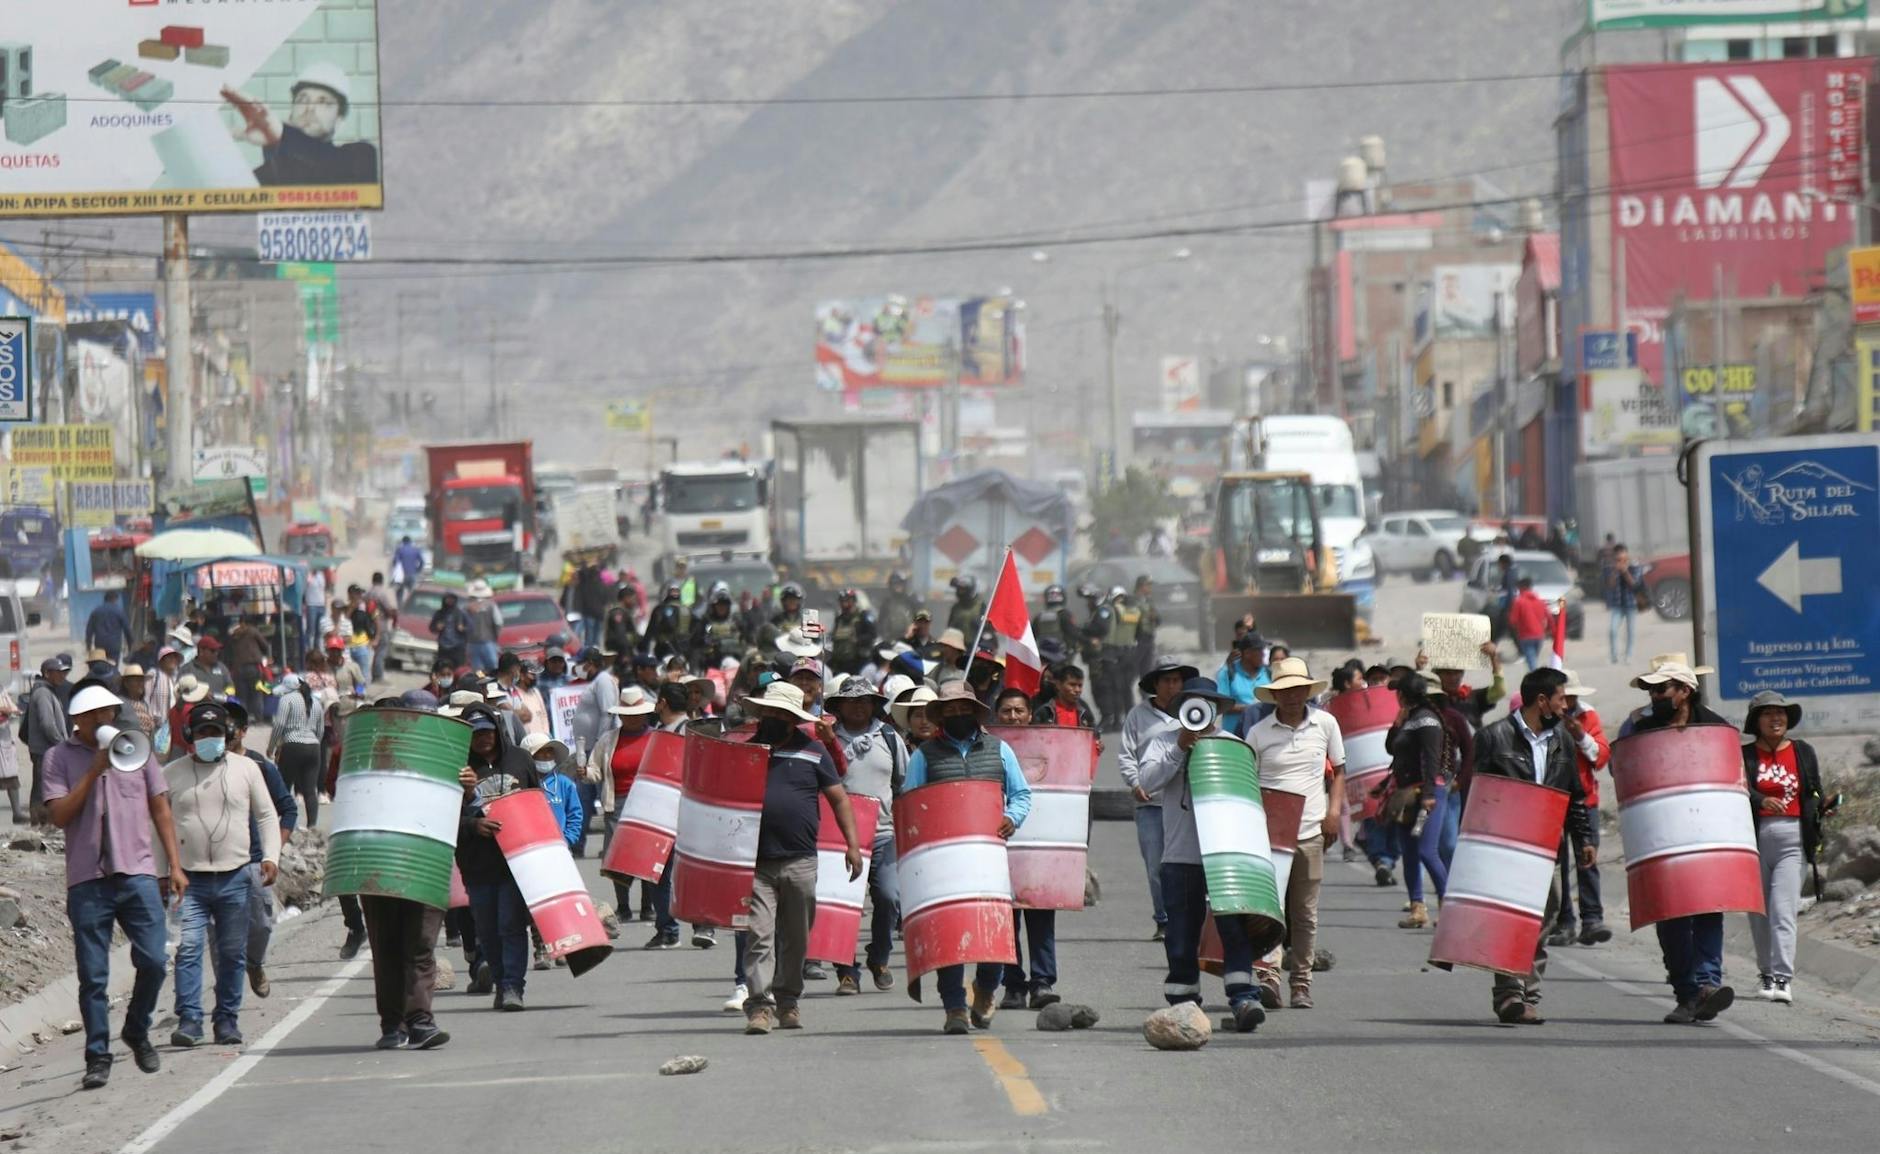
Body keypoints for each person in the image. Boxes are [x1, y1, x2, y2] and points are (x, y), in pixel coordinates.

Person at [45, 682, 187, 1090]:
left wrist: (174, 866)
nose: (104, 719)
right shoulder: (58, 758)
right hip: (88, 880)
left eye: (108, 712)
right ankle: (97, 1056)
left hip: (137, 872)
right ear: (78, 720)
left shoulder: (136, 750)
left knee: (155, 961)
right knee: (94, 976)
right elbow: (59, 815)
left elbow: (160, 807)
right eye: (94, 715)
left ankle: (137, 1029)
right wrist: (93, 772)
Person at [1135, 676, 1268, 1033]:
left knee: (1234, 928)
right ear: (1180, 708)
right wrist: (1179, 748)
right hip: (1180, 854)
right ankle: (1183, 1003)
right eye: (1191, 702)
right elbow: (1145, 784)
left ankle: (1243, 998)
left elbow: (1249, 799)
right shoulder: (1162, 743)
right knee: (1180, 932)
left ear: (1216, 709)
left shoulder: (1233, 746)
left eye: (1204, 702)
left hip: (1226, 855)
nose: (1198, 709)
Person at [900, 680, 1031, 1033]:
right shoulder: (923, 755)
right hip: (942, 862)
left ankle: (986, 989)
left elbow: (1021, 795)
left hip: (988, 858)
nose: (958, 713)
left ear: (974, 711)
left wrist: (1011, 818)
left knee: (994, 932)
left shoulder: (1000, 750)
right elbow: (911, 803)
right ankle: (954, 1008)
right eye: (951, 709)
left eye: (963, 708)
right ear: (941, 714)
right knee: (949, 936)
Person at [1470, 667, 1595, 1025]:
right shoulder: (1493, 738)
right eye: (1560, 699)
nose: (1564, 705)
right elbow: (1476, 796)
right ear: (1542, 701)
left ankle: (1528, 990)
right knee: (1510, 918)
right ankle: (1510, 993)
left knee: (1545, 916)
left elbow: (1573, 794)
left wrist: (1584, 838)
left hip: (1547, 845)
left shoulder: (1563, 741)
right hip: (1505, 848)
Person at [737, 682, 862, 1035]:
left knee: (797, 938)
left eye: (780, 714)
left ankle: (788, 1000)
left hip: (801, 860)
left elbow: (839, 799)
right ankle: (759, 1006)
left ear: (793, 719)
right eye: (768, 712)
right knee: (759, 935)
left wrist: (852, 845)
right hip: (756, 863)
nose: (772, 718)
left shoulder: (814, 752)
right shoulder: (745, 754)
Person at [158, 701, 281, 1048]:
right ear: (189, 737)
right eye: (202, 733)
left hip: (237, 876)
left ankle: (226, 1020)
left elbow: (267, 816)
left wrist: (271, 856)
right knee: (188, 948)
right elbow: (158, 826)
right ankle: (190, 1020)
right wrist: (161, 872)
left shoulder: (246, 769)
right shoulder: (171, 774)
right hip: (188, 881)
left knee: (231, 953)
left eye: (215, 732)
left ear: (226, 735)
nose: (209, 738)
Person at [1628, 659, 1736, 1024]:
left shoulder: (1716, 728)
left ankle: (1707, 984)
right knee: (1670, 917)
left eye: (1661, 689)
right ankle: (1687, 991)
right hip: (1663, 838)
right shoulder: (1642, 729)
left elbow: (1733, 779)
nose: (1654, 696)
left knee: (1708, 909)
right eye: (1651, 690)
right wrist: (1631, 727)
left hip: (1706, 833)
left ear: (1684, 691)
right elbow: (1623, 771)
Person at [1247, 658, 1344, 1010]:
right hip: (1269, 835)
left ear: (1307, 691)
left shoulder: (1326, 724)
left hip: (1310, 833)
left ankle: (1301, 982)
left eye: (1296, 689)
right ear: (1275, 695)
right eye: (1284, 691)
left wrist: (1334, 814)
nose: (1291, 696)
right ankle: (1268, 976)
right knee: (1268, 910)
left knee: (1304, 912)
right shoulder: (1258, 733)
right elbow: (1247, 782)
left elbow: (1339, 773)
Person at [1741, 691, 1825, 1005]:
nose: (1776, 718)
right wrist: (1761, 799)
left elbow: (1814, 790)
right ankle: (1765, 972)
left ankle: (1782, 977)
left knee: (1782, 909)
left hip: (1794, 839)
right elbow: (1737, 787)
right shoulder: (1745, 755)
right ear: (1756, 721)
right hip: (1755, 838)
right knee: (1758, 911)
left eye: (1781, 713)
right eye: (1768, 713)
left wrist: (1821, 808)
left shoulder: (1803, 752)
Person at [456, 706, 542, 1010]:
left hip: (516, 861)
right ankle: (500, 980)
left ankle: (512, 987)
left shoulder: (520, 759)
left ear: (497, 728)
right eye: (476, 733)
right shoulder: (457, 766)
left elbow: (538, 804)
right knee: (487, 930)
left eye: (487, 731)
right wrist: (472, 823)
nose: (483, 738)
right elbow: (440, 816)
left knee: (511, 924)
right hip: (477, 863)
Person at [827, 679, 906, 996]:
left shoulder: (889, 737)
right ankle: (846, 971)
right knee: (842, 907)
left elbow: (904, 782)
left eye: (865, 700)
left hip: (884, 834)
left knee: (889, 897)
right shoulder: (827, 738)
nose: (859, 706)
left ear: (874, 704)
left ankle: (880, 957)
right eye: (851, 700)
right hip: (838, 838)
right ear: (839, 706)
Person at [223, 701, 296, 1000]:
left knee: (261, 925)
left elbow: (288, 809)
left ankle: (255, 964)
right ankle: (221, 1004)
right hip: (214, 864)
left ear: (242, 731)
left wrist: (272, 852)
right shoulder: (201, 767)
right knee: (217, 939)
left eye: (227, 728)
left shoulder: (260, 767)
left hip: (254, 861)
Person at [1119, 656, 1193, 942]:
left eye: (1177, 680)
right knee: (1156, 866)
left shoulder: (1192, 712)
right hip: (1150, 802)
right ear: (1155, 684)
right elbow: (1126, 754)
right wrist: (1135, 783)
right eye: (1167, 680)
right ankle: (1163, 919)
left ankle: (1186, 919)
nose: (1172, 685)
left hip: (1184, 802)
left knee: (1187, 864)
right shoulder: (1138, 715)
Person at [222, 62, 380, 185]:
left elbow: (328, 167)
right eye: (303, 99)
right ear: (291, 113)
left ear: (339, 120)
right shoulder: (255, 181)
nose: (310, 108)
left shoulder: (360, 159)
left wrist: (279, 135)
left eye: (323, 102)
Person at [1549, 671, 1613, 948]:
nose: (1567, 703)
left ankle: (1592, 919)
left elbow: (1600, 757)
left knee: (1587, 859)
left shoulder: (1588, 717)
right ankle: (1564, 921)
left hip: (1584, 799)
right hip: (1555, 799)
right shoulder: (1547, 719)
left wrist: (1580, 736)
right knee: (1559, 865)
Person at [1385, 670, 1452, 929]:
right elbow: (1391, 748)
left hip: (1426, 794)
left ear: (1403, 695)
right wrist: (1396, 723)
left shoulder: (1427, 720)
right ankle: (1417, 908)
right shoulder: (1409, 718)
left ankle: (1448, 907)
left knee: (1427, 850)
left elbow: (1432, 759)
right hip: (1405, 795)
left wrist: (1428, 795)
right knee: (1409, 852)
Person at [591, 685, 658, 932]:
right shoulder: (608, 740)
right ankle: (623, 905)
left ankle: (648, 903)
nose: (631, 718)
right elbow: (595, 769)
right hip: (616, 802)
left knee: (647, 855)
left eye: (636, 714)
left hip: (649, 802)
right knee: (619, 856)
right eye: (627, 714)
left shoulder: (655, 738)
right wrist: (586, 773)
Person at [24, 654, 73, 821]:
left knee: (43, 787)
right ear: (47, 673)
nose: (61, 676)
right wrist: (61, 743)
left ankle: (41, 824)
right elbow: (47, 724)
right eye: (57, 672)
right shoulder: (43, 693)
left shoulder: (49, 691)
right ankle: (37, 826)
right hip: (44, 750)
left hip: (47, 750)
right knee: (41, 790)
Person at [1604, 543, 1646, 665]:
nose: (1621, 562)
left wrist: (1625, 571)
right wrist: (1615, 572)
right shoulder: (1610, 569)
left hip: (1631, 604)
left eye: (1623, 559)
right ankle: (1614, 656)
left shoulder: (1634, 567)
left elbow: (1635, 585)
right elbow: (1609, 586)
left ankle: (1629, 655)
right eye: (1618, 559)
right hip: (1617, 604)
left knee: (1630, 631)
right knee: (1612, 630)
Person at [226, 615, 269, 724]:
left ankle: (243, 719)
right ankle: (259, 719)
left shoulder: (233, 634)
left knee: (241, 695)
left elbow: (228, 651)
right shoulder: (253, 631)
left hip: (238, 668)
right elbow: (265, 646)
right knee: (257, 693)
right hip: (253, 667)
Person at [1032, 663, 1099, 730]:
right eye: (1072, 685)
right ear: (1058, 685)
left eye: (1080, 686)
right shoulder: (1045, 712)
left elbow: (1094, 733)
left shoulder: (1084, 710)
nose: (1077, 690)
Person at [828, 589, 879, 677]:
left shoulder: (863, 616)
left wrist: (858, 640)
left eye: (848, 601)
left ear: (854, 601)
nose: (845, 604)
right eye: (842, 601)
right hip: (840, 662)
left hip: (859, 662)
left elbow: (872, 635)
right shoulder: (839, 619)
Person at [1215, 633, 1270, 711]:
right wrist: (1250, 709)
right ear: (1247, 653)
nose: (1263, 654)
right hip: (1236, 722)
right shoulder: (1227, 673)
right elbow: (1220, 705)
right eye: (1259, 650)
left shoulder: (1268, 673)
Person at [1506, 577, 1551, 670]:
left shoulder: (1519, 602)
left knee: (1531, 661)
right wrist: (1550, 630)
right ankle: (1535, 677)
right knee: (1533, 658)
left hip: (1525, 635)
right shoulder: (1540, 601)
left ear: (1520, 588)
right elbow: (1549, 617)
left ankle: (1535, 680)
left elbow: (1512, 620)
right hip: (1539, 635)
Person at [462, 581, 503, 674]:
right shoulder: (491, 606)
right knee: (493, 666)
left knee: (478, 670)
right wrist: (495, 637)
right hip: (488, 642)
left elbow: (462, 625)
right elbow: (498, 622)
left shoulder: (467, 607)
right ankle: (492, 682)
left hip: (472, 643)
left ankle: (481, 684)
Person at [877, 571, 922, 650]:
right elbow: (881, 622)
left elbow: (920, 620)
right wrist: (885, 638)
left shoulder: (912, 600)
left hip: (910, 638)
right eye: (895, 584)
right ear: (891, 586)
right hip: (892, 639)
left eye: (900, 584)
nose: (898, 587)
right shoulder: (887, 603)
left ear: (904, 585)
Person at [84, 590, 132, 663]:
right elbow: (127, 630)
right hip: (114, 646)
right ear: (115, 599)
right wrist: (130, 646)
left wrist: (88, 647)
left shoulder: (96, 611)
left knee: (101, 667)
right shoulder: (119, 611)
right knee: (113, 669)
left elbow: (89, 631)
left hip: (100, 645)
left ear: (105, 599)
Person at [429, 592, 472, 672]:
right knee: (442, 669)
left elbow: (471, 628)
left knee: (459, 671)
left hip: (458, 647)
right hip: (443, 647)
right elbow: (432, 628)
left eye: (452, 599)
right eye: (448, 599)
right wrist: (437, 627)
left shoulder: (461, 613)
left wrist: (463, 629)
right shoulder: (439, 613)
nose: (450, 601)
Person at [187, 636, 234, 702]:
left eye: (217, 651)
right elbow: (182, 691)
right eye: (212, 651)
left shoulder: (222, 668)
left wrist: (227, 695)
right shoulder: (188, 669)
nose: (216, 653)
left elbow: (230, 686)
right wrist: (200, 695)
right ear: (201, 651)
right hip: (196, 708)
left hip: (219, 708)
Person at [1132, 574, 1161, 677]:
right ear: (1141, 586)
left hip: (1149, 639)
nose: (1150, 588)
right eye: (1148, 585)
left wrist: (1155, 617)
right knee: (1132, 671)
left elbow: (1158, 620)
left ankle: (1146, 692)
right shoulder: (1133, 601)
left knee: (1148, 672)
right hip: (1138, 640)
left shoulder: (1149, 601)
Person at [391, 537, 426, 607]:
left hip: (401, 576)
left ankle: (400, 608)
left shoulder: (400, 550)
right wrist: (417, 570)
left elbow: (395, 561)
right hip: (412, 575)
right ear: (410, 542)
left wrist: (396, 572)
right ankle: (409, 609)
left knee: (399, 593)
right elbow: (422, 562)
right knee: (411, 594)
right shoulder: (416, 550)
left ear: (403, 542)